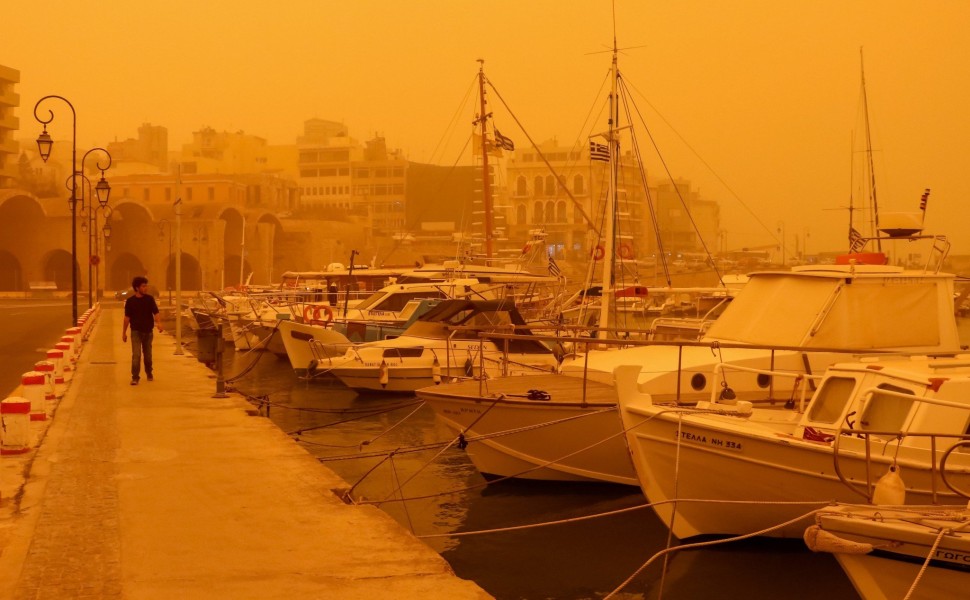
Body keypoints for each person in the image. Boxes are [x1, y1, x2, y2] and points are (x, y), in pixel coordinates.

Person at [122, 276, 162, 385]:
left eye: (146, 286)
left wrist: (159, 323)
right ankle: (135, 377)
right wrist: (124, 333)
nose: (146, 288)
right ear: (137, 288)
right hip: (135, 332)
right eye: (143, 286)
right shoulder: (130, 302)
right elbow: (127, 318)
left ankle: (149, 372)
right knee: (136, 355)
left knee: (148, 355)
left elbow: (156, 312)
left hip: (148, 332)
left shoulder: (150, 299)